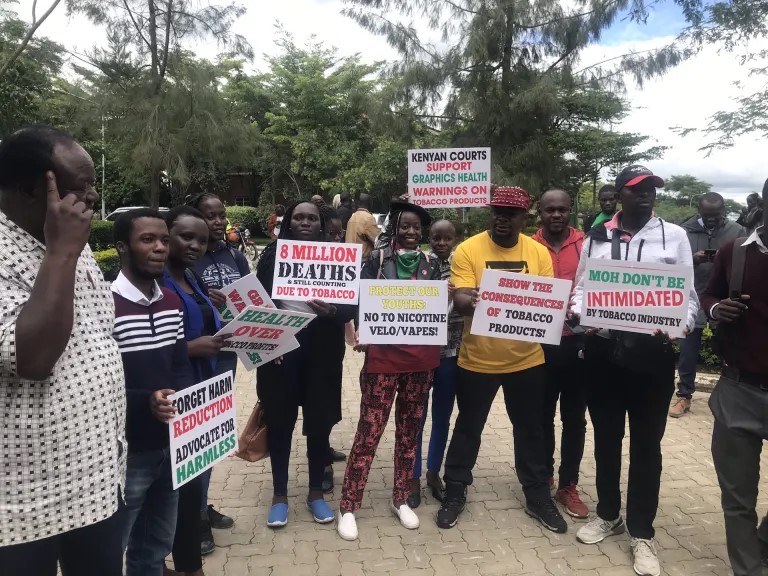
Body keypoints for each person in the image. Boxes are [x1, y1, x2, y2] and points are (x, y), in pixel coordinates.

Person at [0, 126, 125, 576]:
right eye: (79, 187)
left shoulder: (74, 242)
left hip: (96, 478)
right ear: (32, 188)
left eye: (93, 185)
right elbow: (32, 358)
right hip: (24, 504)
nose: (91, 197)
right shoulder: (63, 243)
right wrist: (61, 253)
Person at [571, 165, 698, 576]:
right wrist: (581, 314)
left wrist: (677, 324)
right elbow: (580, 289)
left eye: (652, 189)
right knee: (607, 438)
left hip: (652, 359)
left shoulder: (673, 236)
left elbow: (689, 300)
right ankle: (609, 514)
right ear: (619, 195)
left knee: (647, 445)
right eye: (637, 189)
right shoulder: (597, 236)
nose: (646, 195)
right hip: (603, 353)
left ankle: (642, 532)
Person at [435, 186, 567, 535]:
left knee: (530, 431)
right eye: (497, 211)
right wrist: (471, 300)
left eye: (510, 213)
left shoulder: (538, 253)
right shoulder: (468, 250)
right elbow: (461, 298)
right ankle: (456, 490)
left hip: (527, 360)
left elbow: (545, 302)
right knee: (468, 428)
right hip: (477, 360)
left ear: (525, 217)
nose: (502, 218)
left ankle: (537, 495)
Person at [337, 201, 441, 541]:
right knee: (369, 433)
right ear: (395, 228)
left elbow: (437, 310)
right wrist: (361, 331)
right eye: (405, 226)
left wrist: (450, 298)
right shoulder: (378, 259)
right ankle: (349, 505)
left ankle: (400, 499)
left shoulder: (432, 263)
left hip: (420, 363)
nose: (411, 232)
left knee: (409, 435)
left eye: (416, 228)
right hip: (383, 362)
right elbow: (360, 299)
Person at [255, 202, 357, 528]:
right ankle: (279, 496)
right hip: (282, 353)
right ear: (289, 222)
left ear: (321, 224)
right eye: (298, 217)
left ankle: (316, 494)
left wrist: (332, 312)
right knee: (281, 424)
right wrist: (271, 343)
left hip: (323, 356)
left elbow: (351, 307)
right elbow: (260, 302)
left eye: (311, 218)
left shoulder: (337, 255)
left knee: (318, 425)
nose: (304, 222)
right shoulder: (272, 254)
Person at [111, 209, 196, 576]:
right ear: (121, 248)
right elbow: (98, 382)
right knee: (113, 545)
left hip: (171, 445)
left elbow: (179, 365)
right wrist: (144, 400)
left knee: (156, 544)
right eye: (148, 240)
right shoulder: (102, 306)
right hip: (126, 451)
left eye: (163, 239)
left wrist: (192, 403)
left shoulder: (172, 303)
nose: (160, 248)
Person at [702, 177, 768, 576]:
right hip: (739, 388)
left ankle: (760, 543)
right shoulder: (735, 253)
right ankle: (749, 569)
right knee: (738, 497)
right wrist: (716, 310)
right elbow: (709, 294)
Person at [162, 206, 227, 576]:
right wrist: (191, 347)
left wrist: (209, 303)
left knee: (190, 486)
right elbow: (140, 348)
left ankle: (187, 563)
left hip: (203, 395)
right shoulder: (154, 282)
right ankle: (160, 561)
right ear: (166, 233)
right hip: (172, 399)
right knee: (168, 490)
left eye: (201, 240)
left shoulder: (190, 277)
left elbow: (199, 321)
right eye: (186, 236)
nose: (195, 245)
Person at [187, 192, 244, 552]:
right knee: (196, 438)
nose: (219, 221)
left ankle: (201, 507)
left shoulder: (235, 255)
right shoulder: (188, 262)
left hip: (228, 354)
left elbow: (252, 301)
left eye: (222, 214)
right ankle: (194, 520)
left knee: (211, 439)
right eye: (211, 215)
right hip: (197, 359)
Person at [531, 190, 589, 519]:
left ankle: (568, 484)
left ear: (571, 211)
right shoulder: (528, 246)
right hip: (539, 345)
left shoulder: (587, 245)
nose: (556, 214)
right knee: (541, 417)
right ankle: (543, 476)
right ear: (539, 212)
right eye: (549, 209)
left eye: (562, 209)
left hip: (578, 345)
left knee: (574, 419)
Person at [672, 193, 745, 417]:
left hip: (722, 299)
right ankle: (684, 395)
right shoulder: (684, 231)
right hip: (693, 296)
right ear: (699, 212)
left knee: (728, 348)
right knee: (688, 351)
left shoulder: (737, 231)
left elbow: (745, 260)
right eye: (707, 215)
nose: (712, 219)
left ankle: (730, 398)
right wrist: (693, 259)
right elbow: (672, 263)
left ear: (723, 210)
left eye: (716, 215)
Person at [407, 219, 462, 508]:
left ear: (455, 239)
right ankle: (412, 477)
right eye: (436, 238)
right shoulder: (419, 263)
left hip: (452, 352)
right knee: (417, 416)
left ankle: (432, 473)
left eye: (447, 238)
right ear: (429, 238)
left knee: (443, 416)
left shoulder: (463, 264)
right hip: (422, 351)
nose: (441, 243)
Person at [345, 192, 381, 259]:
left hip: (351, 258)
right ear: (370, 204)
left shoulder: (352, 216)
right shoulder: (368, 218)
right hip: (363, 261)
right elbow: (378, 241)